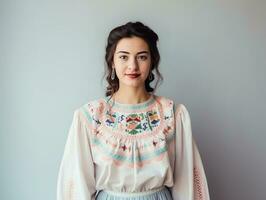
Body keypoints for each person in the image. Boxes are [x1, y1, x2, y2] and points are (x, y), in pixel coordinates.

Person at [56, 21, 210, 200]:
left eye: (142, 57)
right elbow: (76, 186)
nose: (133, 66)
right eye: (123, 57)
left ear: (152, 61)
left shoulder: (173, 114)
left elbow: (188, 184)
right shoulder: (90, 116)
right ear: (112, 62)